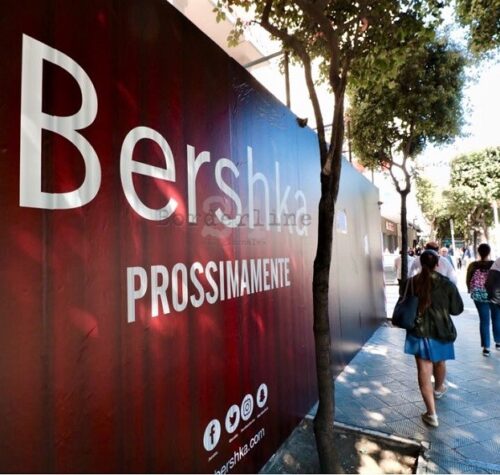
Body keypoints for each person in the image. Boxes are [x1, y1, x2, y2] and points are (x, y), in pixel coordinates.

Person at [404, 250, 464, 427]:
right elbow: (457, 310)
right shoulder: (446, 284)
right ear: (438, 263)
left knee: (423, 370)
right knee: (440, 362)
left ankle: (431, 414)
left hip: (418, 332)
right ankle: (438, 388)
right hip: (441, 331)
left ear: (420, 263)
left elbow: (405, 302)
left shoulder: (411, 283)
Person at [467, 244, 500, 356]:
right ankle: (498, 342)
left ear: (478, 252)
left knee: (484, 321)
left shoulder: (473, 265)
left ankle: (486, 348)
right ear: (489, 252)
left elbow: (468, 279)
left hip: (479, 296)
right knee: (497, 318)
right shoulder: (494, 264)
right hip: (493, 295)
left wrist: (470, 290)